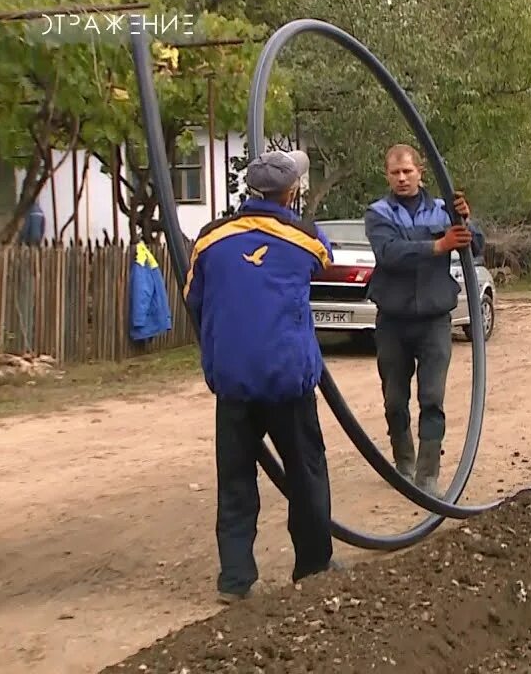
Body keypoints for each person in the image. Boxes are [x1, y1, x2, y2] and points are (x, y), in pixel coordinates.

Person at [184, 149, 337, 605]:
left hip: (232, 381)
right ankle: (312, 567)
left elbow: (194, 298)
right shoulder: (304, 237)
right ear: (292, 192)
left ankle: (235, 579)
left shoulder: (210, 238)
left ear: (250, 190)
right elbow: (324, 261)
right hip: (287, 380)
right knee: (306, 475)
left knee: (234, 480)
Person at [364, 144, 485, 496]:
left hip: (434, 319)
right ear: (386, 175)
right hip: (393, 320)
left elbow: (474, 245)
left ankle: (428, 473)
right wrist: (437, 245)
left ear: (420, 172)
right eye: (395, 173)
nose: (402, 179)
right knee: (394, 399)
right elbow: (389, 253)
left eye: (408, 171)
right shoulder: (379, 213)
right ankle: (404, 460)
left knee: (432, 397)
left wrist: (466, 219)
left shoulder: (443, 210)